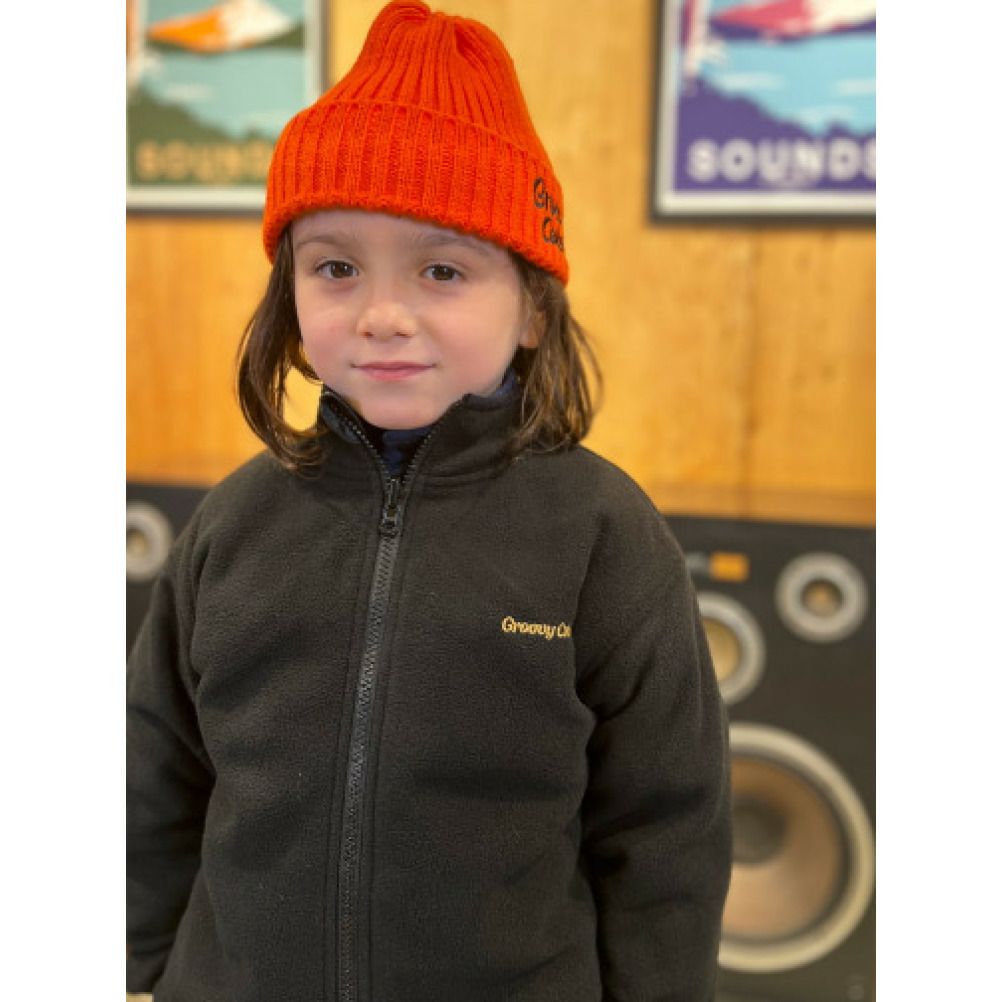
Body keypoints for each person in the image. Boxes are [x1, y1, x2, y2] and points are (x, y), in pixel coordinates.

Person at [126, 2, 732, 1000]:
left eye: (442, 269)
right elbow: (154, 773)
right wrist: (140, 966)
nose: (383, 314)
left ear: (532, 308)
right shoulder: (229, 525)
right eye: (336, 267)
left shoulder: (605, 537)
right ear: (290, 294)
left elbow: (668, 828)